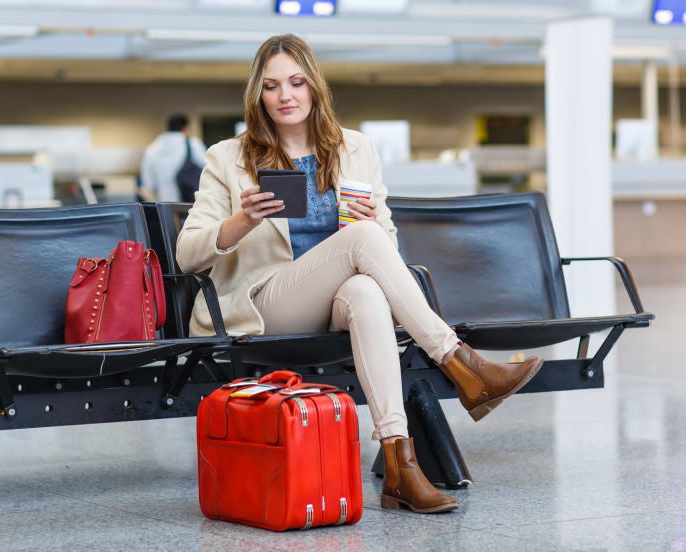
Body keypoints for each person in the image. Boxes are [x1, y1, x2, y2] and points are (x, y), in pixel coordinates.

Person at [176, 35, 544, 515]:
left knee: (367, 290)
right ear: (257, 95)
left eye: (296, 82)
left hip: (333, 301)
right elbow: (187, 255)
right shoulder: (229, 157)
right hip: (262, 303)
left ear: (314, 87)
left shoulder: (355, 149)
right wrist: (243, 221)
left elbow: (383, 246)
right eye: (271, 86)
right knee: (363, 245)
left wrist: (372, 224)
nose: (285, 96)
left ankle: (399, 465)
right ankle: (460, 363)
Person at [140, 114, 207, 202]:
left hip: (163, 206)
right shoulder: (192, 143)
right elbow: (208, 169)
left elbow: (148, 184)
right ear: (185, 128)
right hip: (191, 204)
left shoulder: (151, 149)